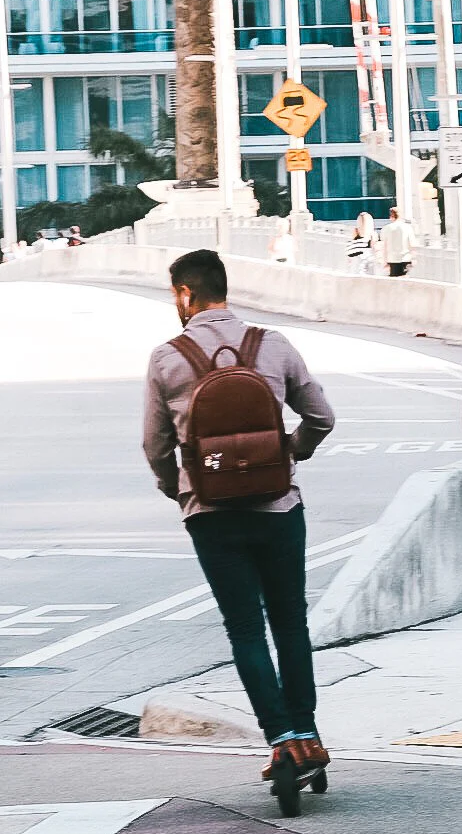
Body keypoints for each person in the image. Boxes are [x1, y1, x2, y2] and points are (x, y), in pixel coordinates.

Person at [143, 249, 338, 778]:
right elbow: (322, 416)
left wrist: (179, 490)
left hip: (211, 513)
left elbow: (155, 446)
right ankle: (308, 732)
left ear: (186, 295)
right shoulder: (272, 345)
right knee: (290, 622)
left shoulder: (167, 358)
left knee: (246, 629)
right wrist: (291, 450)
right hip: (278, 506)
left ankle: (280, 743)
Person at [380, 207, 415, 278]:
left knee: (394, 283)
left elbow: (384, 246)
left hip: (392, 259)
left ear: (391, 216)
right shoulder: (407, 227)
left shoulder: (386, 228)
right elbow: (411, 244)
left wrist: (384, 261)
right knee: (405, 280)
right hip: (405, 258)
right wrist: (413, 258)